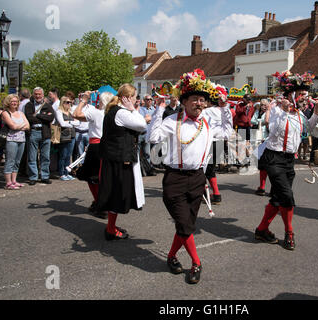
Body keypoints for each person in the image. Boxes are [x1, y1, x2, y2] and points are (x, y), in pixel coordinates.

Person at [148, 69, 233, 284]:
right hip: (174, 179)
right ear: (184, 101)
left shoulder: (207, 124)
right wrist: (159, 108)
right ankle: (196, 262)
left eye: (202, 100)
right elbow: (153, 136)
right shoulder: (172, 120)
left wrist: (224, 108)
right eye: (194, 99)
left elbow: (226, 131)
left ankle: (171, 256)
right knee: (185, 225)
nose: (199, 103)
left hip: (197, 179)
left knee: (185, 225)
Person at [254, 71, 318, 250]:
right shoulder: (277, 108)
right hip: (274, 157)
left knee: (278, 198)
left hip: (289, 160)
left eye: (305, 95)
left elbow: (309, 131)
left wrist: (316, 114)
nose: (304, 98)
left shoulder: (300, 114)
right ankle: (289, 232)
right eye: (301, 95)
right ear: (291, 95)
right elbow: (273, 130)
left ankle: (262, 230)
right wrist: (283, 111)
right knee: (287, 197)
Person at [97, 84, 147, 241]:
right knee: (117, 195)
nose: (136, 100)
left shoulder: (116, 111)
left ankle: (111, 227)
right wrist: (132, 109)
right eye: (134, 97)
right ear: (128, 98)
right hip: (118, 160)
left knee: (116, 194)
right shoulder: (122, 113)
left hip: (115, 159)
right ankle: (111, 230)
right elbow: (142, 124)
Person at [73, 90, 114, 219]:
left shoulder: (96, 113)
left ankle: (99, 203)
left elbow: (76, 114)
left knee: (92, 177)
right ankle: (101, 202)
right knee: (104, 176)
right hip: (109, 147)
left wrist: (84, 100)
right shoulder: (114, 113)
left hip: (96, 146)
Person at [24, 87, 55, 185]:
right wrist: (44, 116)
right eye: (36, 94)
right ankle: (33, 176)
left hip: (45, 132)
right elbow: (29, 118)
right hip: (34, 132)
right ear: (33, 95)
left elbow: (51, 118)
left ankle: (45, 176)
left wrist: (37, 115)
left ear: (43, 95)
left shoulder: (47, 105)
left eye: (39, 94)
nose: (38, 96)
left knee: (45, 156)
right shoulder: (29, 105)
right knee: (32, 156)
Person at [1, 94, 30, 190]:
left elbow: (28, 126)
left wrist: (18, 125)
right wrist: (21, 126)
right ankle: (8, 183)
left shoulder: (21, 113)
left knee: (17, 161)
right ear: (8, 102)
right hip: (11, 140)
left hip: (21, 140)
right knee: (10, 161)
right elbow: (12, 126)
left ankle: (14, 180)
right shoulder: (6, 113)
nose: (14, 103)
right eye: (12, 101)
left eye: (16, 101)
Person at [55, 96, 80, 181]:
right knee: (63, 155)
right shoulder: (59, 111)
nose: (69, 104)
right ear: (63, 103)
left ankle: (67, 172)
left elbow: (78, 123)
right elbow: (62, 123)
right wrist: (72, 123)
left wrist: (69, 122)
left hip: (72, 135)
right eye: (67, 102)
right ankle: (61, 173)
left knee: (68, 155)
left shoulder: (71, 112)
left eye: (70, 102)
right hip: (64, 136)